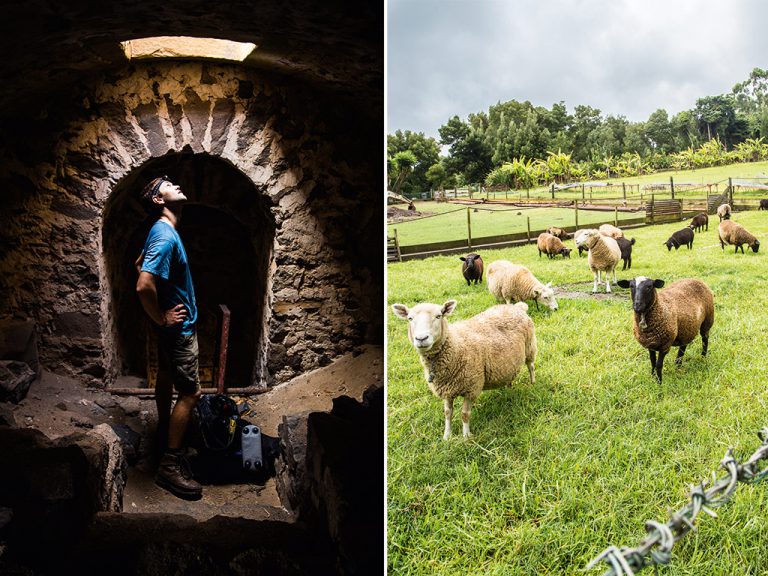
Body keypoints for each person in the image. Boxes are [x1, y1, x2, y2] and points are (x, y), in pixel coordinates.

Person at [135, 175, 203, 500]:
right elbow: (143, 283)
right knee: (190, 393)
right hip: (179, 330)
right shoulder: (165, 234)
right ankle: (170, 464)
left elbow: (139, 264)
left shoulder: (162, 232)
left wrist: (160, 319)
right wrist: (162, 317)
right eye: (165, 183)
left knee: (165, 373)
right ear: (158, 200)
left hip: (169, 329)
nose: (174, 182)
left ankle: (165, 429)